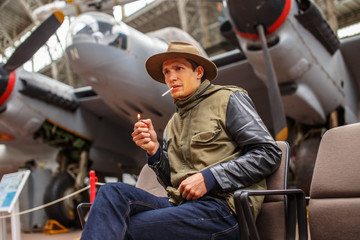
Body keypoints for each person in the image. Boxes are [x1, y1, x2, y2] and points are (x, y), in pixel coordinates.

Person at [80, 41, 282, 239]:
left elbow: (268, 153)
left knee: (123, 228)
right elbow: (173, 181)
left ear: (199, 72)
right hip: (181, 205)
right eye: (167, 72)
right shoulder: (172, 123)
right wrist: (154, 150)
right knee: (111, 192)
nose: (171, 77)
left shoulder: (229, 99)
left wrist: (210, 177)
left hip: (223, 210)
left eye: (178, 68)